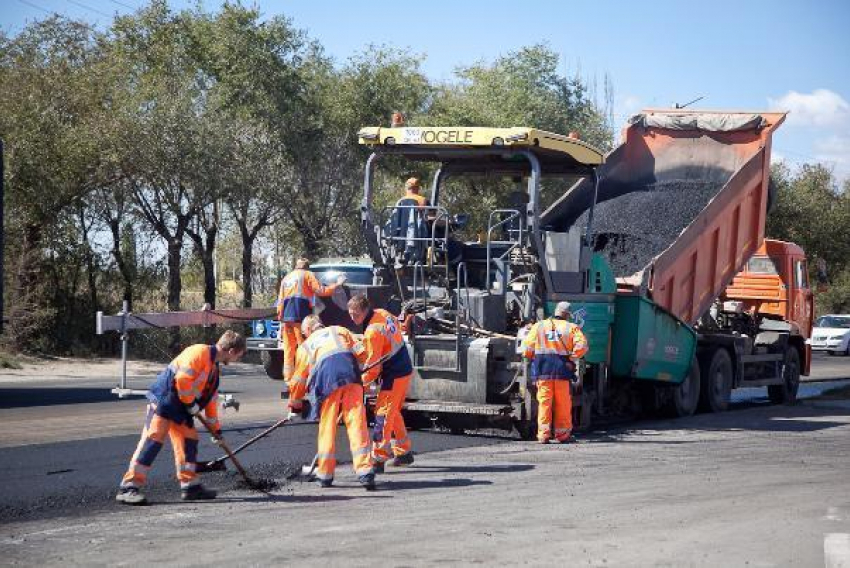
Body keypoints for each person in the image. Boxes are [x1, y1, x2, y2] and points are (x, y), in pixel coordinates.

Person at [116, 330, 247, 505]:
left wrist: (216, 433)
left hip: (182, 408)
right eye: (238, 355)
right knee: (152, 441)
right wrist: (191, 404)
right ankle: (128, 487)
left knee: (189, 442)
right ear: (231, 351)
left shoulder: (214, 372)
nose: (237, 359)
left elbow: (210, 404)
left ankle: (190, 487)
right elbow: (182, 380)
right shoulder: (199, 353)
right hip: (164, 400)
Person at [287, 315, 376, 490]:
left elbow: (298, 381)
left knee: (327, 427)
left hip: (327, 383)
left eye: (304, 333)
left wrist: (295, 405)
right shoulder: (341, 330)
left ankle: (326, 474)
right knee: (357, 423)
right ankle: (365, 472)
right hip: (351, 377)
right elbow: (363, 354)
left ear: (309, 331)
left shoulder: (305, 347)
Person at [347, 294, 414, 472]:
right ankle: (403, 452)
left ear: (365, 311)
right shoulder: (383, 313)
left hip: (394, 373)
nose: (353, 318)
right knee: (392, 411)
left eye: (356, 314)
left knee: (382, 415)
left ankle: (378, 459)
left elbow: (373, 368)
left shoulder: (372, 331)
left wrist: (360, 384)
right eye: (350, 314)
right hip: (402, 367)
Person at [521, 302, 589, 444]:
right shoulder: (571, 328)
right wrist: (571, 358)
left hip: (542, 372)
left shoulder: (539, 326)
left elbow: (526, 349)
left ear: (555, 311)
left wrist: (537, 357)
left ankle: (543, 435)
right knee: (562, 404)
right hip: (562, 373)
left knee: (544, 403)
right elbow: (582, 346)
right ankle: (562, 435)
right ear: (567, 315)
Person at [277, 257, 346, 382]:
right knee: (304, 347)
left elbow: (280, 301)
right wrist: (337, 285)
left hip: (286, 318)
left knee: (288, 348)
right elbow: (320, 290)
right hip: (300, 315)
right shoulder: (308, 275)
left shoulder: (286, 278)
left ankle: (288, 379)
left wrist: (281, 319)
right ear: (307, 267)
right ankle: (302, 377)